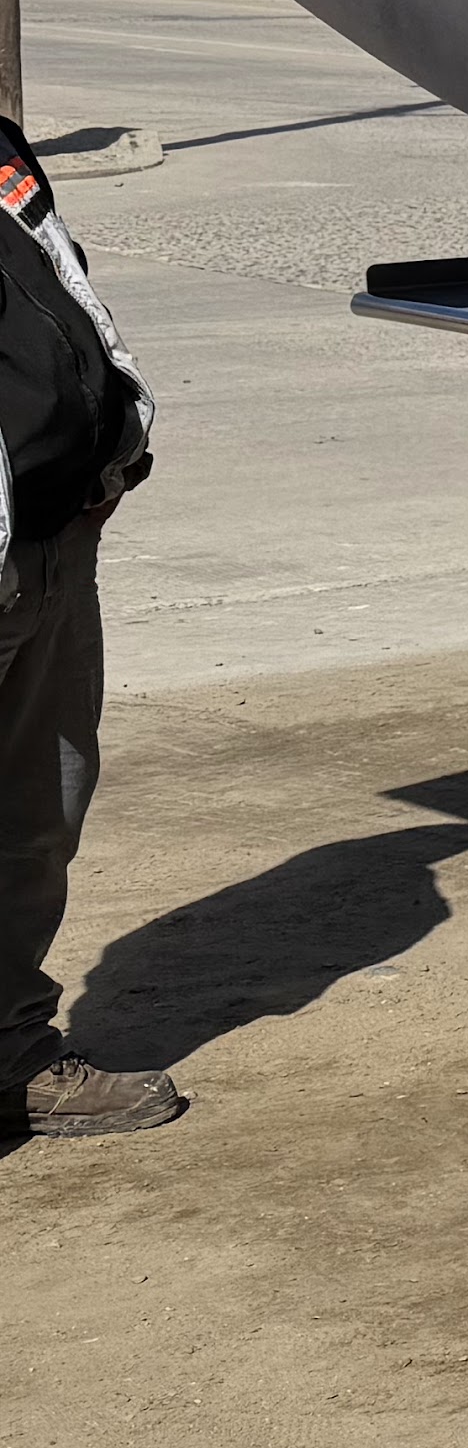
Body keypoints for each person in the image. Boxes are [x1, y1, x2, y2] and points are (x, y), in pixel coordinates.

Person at [0, 124, 157, 1137]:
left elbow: (63, 291)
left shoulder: (0, 151)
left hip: (50, 537)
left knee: (36, 821)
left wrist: (120, 444)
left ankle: (11, 1057)